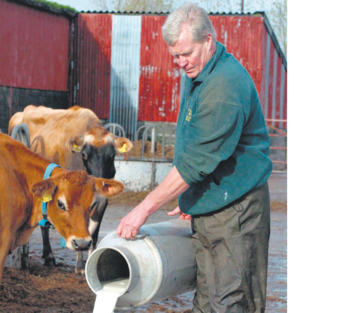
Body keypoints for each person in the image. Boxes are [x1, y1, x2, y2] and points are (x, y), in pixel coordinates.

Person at [115, 3, 273, 313]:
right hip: (214, 203)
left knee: (231, 302)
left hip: (236, 211)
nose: (180, 62)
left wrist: (143, 209)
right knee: (205, 300)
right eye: (174, 55)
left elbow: (196, 161)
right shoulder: (198, 72)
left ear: (209, 41)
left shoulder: (224, 86)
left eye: (186, 53)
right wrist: (193, 196)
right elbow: (193, 144)